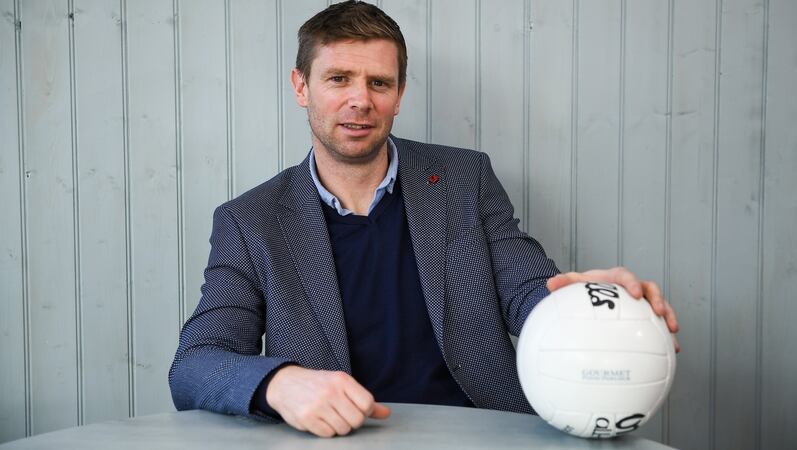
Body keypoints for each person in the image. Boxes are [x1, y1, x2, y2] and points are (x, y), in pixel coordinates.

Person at [169, 0, 679, 439]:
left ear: (399, 94)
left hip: (483, 432)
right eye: (338, 79)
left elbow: (526, 292)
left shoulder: (465, 179)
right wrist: (278, 383)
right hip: (336, 440)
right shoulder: (250, 220)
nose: (360, 100)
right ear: (301, 86)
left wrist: (587, 308)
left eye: (379, 82)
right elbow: (194, 364)